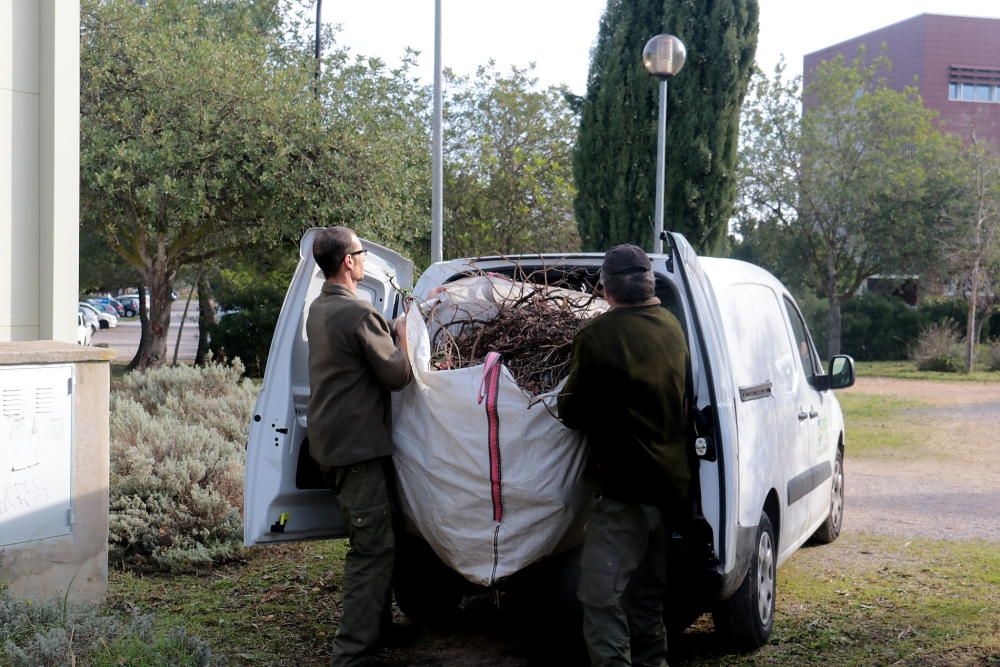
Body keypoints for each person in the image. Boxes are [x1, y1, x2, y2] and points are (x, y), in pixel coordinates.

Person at [558, 244, 690, 667]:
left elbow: (571, 412)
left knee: (599, 596)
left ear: (607, 291)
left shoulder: (597, 337)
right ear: (650, 285)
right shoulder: (672, 326)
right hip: (669, 489)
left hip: (623, 495)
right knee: (647, 599)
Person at [306, 226, 413, 666]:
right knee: (371, 549)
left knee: (381, 537)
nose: (365, 258)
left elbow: (357, 342)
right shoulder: (356, 312)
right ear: (348, 261)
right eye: (361, 252)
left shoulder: (320, 308)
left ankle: (380, 628)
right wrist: (405, 336)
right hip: (358, 451)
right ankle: (352, 655)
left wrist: (386, 325)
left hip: (334, 443)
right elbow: (397, 374)